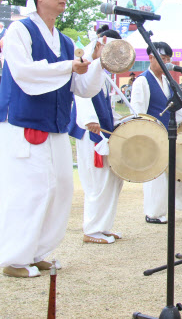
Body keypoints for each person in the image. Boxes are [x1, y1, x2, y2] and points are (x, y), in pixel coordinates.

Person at [0, 0, 104, 278]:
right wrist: (68, 66)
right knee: (29, 190)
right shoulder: (20, 29)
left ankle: (37, 251)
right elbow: (25, 73)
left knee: (59, 188)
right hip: (24, 122)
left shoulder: (66, 40)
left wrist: (96, 62)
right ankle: (14, 258)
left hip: (56, 125)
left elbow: (82, 87)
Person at [132, 42, 182, 224]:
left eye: (168, 59)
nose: (166, 62)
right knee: (156, 175)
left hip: (171, 134)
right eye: (162, 58)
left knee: (178, 170)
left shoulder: (168, 81)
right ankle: (154, 213)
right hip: (152, 136)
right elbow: (138, 111)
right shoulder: (142, 81)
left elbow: (179, 108)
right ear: (151, 58)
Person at [68, 29, 124, 245]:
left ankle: (103, 226)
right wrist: (91, 121)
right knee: (96, 182)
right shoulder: (87, 65)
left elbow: (107, 106)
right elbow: (80, 95)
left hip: (104, 132)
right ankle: (91, 229)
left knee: (112, 181)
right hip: (91, 134)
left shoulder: (103, 72)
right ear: (101, 43)